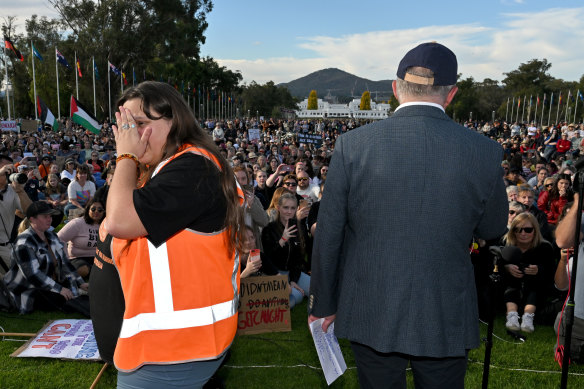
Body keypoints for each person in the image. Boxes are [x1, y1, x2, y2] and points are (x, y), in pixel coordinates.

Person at [308, 42, 508, 389]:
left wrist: (323, 302)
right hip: (444, 306)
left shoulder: (353, 145)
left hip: (373, 304)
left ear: (396, 88)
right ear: (452, 94)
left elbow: (329, 233)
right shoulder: (484, 150)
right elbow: (492, 227)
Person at [89, 81, 244, 388]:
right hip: (167, 350)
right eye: (126, 126)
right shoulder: (166, 168)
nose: (131, 135)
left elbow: (119, 220)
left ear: (174, 120)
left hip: (174, 352)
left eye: (141, 124)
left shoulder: (192, 168)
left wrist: (126, 157)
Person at [3, 201, 88, 314]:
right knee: (62, 298)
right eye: (45, 216)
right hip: (27, 288)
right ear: (32, 219)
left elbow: (65, 263)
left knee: (73, 292)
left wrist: (80, 282)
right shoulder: (24, 242)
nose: (50, 219)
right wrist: (60, 289)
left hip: (45, 283)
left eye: (50, 216)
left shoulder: (51, 236)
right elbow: (33, 275)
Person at [501, 213, 554, 333]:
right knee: (511, 282)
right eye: (518, 230)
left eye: (528, 230)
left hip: (536, 287)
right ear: (513, 231)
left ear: (535, 231)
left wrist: (539, 270)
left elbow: (552, 273)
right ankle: (511, 315)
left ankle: (528, 316)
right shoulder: (506, 244)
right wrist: (507, 267)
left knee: (535, 284)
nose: (523, 233)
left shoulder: (545, 248)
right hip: (510, 286)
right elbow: (495, 266)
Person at [261, 192, 310, 309]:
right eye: (285, 207)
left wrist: (293, 280)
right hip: (276, 274)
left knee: (316, 290)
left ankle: (292, 287)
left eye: (292, 208)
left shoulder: (298, 228)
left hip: (291, 273)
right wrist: (282, 240)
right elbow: (268, 258)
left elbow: (298, 260)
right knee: (296, 298)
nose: (289, 211)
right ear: (278, 208)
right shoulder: (269, 229)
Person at [0, 155, 32, 275]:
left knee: (14, 279)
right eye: (5, 169)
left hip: (4, 246)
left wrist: (20, 191)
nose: (8, 173)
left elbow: (30, 211)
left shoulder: (11, 190)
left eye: (10, 169)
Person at [57, 198, 105, 278]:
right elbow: (59, 238)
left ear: (104, 212)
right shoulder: (78, 223)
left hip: (97, 258)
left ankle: (94, 273)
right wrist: (66, 258)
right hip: (78, 258)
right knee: (83, 270)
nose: (96, 211)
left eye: (100, 210)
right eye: (93, 209)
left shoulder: (106, 225)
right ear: (88, 210)